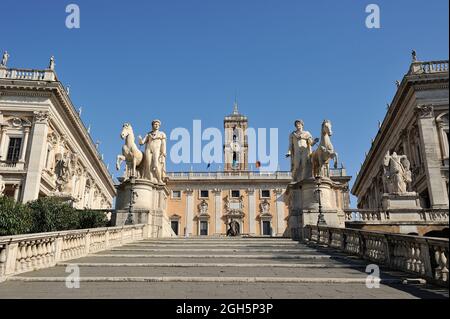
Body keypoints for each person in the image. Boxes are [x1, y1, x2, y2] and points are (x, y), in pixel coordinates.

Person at [139, 119, 167, 184]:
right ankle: (149, 179)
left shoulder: (161, 134)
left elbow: (163, 144)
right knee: (147, 165)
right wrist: (140, 139)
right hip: (148, 149)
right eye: (155, 124)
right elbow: (142, 142)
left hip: (156, 149)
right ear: (152, 125)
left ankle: (159, 179)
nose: (156, 125)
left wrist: (163, 153)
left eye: (158, 124)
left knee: (156, 165)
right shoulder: (148, 134)